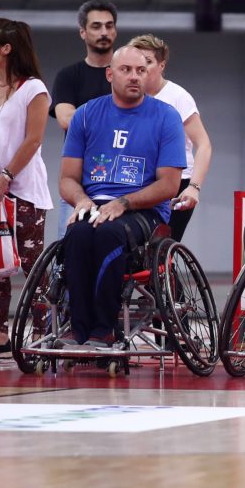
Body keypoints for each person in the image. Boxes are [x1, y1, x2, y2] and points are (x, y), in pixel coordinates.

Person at [59, 46, 186, 349]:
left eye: (141, 70)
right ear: (109, 74)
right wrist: (81, 200)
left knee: (109, 234)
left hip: (144, 210)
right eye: (126, 70)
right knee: (77, 234)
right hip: (95, 205)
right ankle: (78, 327)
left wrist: (124, 202)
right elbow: (67, 179)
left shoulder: (166, 117)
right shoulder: (86, 115)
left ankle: (104, 328)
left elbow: (169, 185)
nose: (134, 77)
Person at [0, 19, 53, 353]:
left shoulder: (34, 89)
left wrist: (6, 175)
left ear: (6, 48)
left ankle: (44, 333)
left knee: (33, 268)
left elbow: (33, 140)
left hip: (23, 192)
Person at [128, 34, 213, 242]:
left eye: (148, 61)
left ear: (161, 65)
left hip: (177, 182)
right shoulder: (127, 96)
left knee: (161, 247)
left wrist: (194, 187)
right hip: (139, 179)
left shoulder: (178, 97)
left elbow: (204, 145)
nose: (142, 67)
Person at [51, 0, 118, 238]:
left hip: (122, 180)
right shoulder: (68, 76)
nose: (104, 32)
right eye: (96, 26)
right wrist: (119, 120)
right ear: (83, 32)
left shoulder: (126, 75)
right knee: (67, 249)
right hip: (79, 182)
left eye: (109, 26)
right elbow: (66, 119)